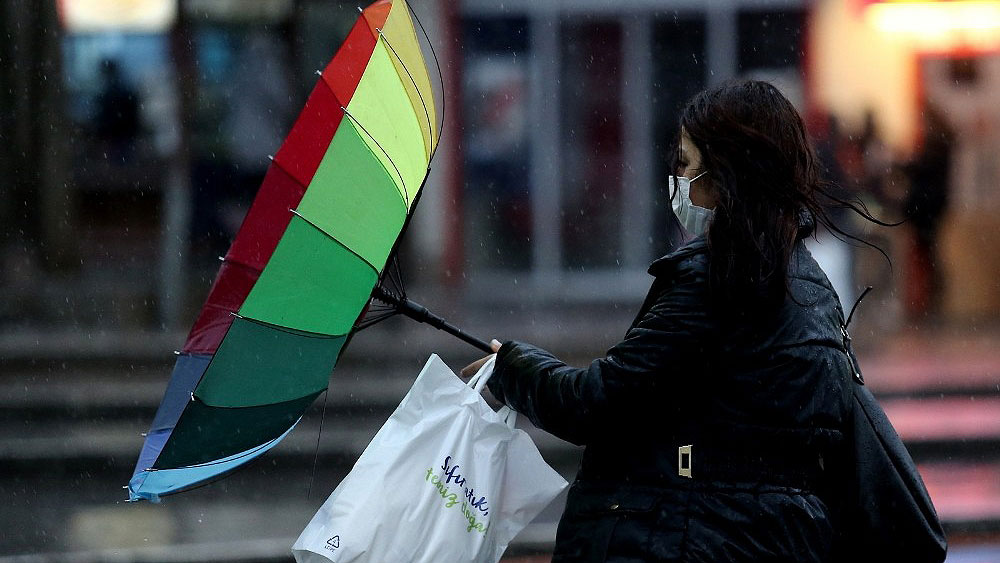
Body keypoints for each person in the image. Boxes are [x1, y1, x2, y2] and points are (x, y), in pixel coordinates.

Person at [464, 80, 869, 562]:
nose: (675, 180)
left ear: (725, 176)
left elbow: (597, 402)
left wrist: (513, 366)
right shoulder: (809, 284)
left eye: (685, 164)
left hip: (698, 537)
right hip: (785, 538)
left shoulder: (716, 282)